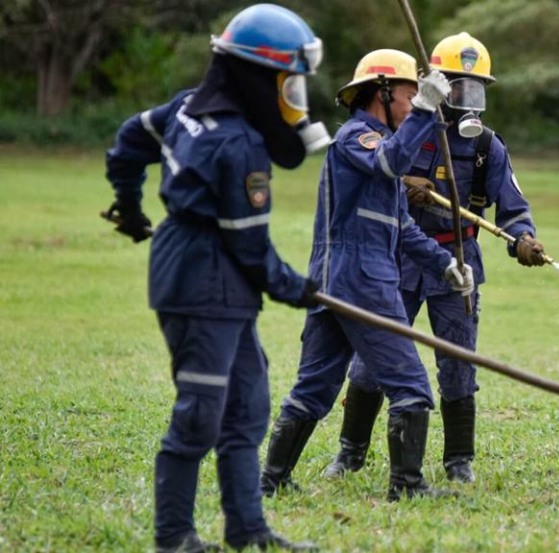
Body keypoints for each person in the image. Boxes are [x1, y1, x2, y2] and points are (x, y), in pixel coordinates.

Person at [103, 4, 328, 551]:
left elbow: (132, 138)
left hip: (216, 280)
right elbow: (251, 246)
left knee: (247, 408)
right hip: (202, 280)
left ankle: (247, 529)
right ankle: (174, 535)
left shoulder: (186, 108)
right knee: (200, 414)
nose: (292, 94)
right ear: (256, 76)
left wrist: (128, 204)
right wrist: (298, 288)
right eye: (287, 81)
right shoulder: (238, 144)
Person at [321, 32, 547, 485]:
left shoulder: (488, 148)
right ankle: (350, 452)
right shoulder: (407, 130)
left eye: (476, 90)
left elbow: (514, 208)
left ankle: (458, 460)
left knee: (458, 362)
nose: (466, 100)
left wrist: (523, 238)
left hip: (458, 265)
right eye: (457, 87)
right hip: (399, 259)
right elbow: (376, 170)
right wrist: (405, 187)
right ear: (437, 86)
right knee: (373, 357)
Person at [260, 48, 475, 502]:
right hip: (361, 280)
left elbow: (404, 230)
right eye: (409, 93)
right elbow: (392, 161)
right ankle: (408, 485)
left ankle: (271, 479)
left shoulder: (385, 149)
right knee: (411, 386)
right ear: (382, 93)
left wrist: (446, 265)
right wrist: (423, 111)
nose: (416, 100)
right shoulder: (359, 139)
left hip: (336, 282)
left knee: (314, 387)